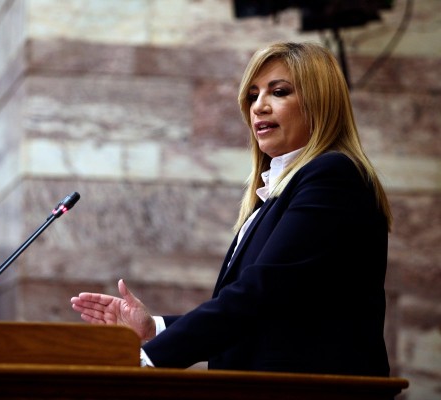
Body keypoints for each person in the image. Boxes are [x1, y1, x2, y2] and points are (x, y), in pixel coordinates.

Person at [70, 41, 392, 377]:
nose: (259, 107)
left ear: (319, 103)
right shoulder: (275, 192)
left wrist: (148, 358)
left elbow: (260, 292)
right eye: (253, 95)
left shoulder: (332, 176)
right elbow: (266, 311)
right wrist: (155, 328)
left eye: (279, 92)